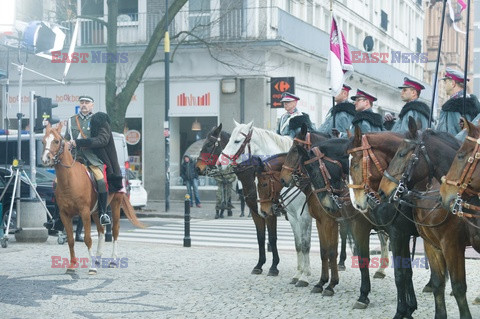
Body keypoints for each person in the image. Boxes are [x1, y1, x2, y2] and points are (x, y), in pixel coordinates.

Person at [436, 68, 480, 135]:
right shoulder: (473, 104)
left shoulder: (452, 107)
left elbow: (449, 133)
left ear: (453, 83)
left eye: (446, 82)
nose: (444, 85)